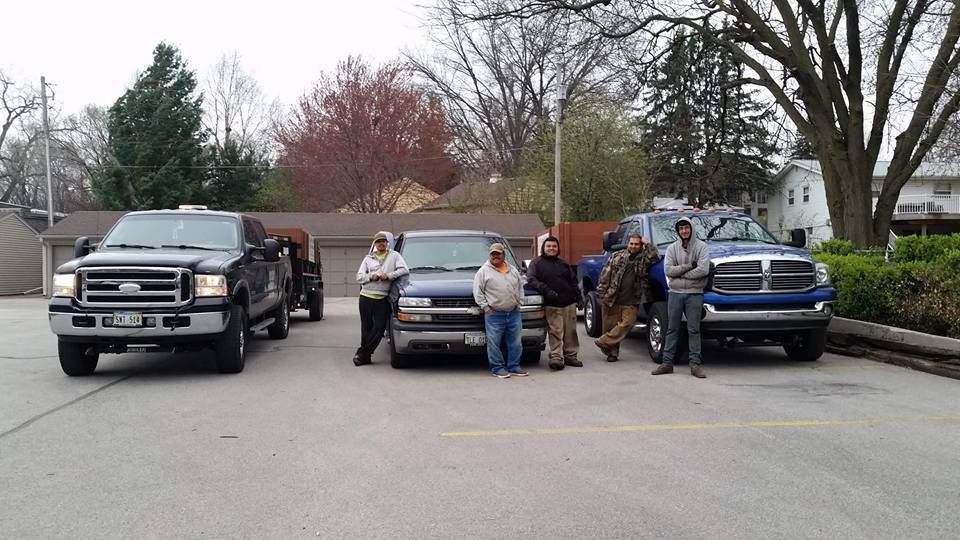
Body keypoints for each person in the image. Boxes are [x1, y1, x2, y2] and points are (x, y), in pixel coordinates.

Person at [652, 216, 710, 378]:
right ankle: (667, 363)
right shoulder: (672, 248)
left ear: (691, 228)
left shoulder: (702, 247)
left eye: (686, 227)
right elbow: (669, 270)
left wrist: (681, 274)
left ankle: (695, 365)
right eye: (681, 228)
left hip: (694, 294)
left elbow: (703, 270)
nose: (684, 231)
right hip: (675, 294)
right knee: (671, 329)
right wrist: (689, 266)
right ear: (678, 231)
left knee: (693, 330)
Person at [594, 233, 660, 362]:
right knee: (611, 326)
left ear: (640, 245)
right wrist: (602, 294)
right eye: (632, 244)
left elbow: (655, 256)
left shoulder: (643, 258)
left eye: (637, 244)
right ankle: (612, 353)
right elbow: (605, 275)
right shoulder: (617, 256)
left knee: (628, 323)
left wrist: (647, 244)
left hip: (632, 300)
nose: (634, 246)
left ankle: (604, 341)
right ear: (628, 244)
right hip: (613, 297)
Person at [526, 236, 581, 371]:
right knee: (556, 332)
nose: (551, 248)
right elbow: (531, 279)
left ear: (558, 249)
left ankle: (571, 356)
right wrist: (546, 290)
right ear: (543, 248)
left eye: (554, 246)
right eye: (549, 246)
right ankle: (556, 357)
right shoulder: (536, 263)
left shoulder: (563, 263)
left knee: (571, 332)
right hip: (552, 304)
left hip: (569, 303)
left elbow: (573, 281)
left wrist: (579, 297)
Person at [473, 243, 527, 379]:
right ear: (489, 255)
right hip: (494, 314)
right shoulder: (483, 271)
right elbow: (477, 292)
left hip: (513, 312)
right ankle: (497, 368)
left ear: (504, 255)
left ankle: (514, 366)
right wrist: (485, 307)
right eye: (493, 254)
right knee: (494, 343)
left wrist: (520, 302)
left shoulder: (513, 270)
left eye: (498, 253)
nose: (495, 256)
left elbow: (520, 287)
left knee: (515, 342)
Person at [354, 231, 409, 366]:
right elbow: (359, 277)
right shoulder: (368, 259)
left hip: (382, 298)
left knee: (379, 330)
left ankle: (362, 353)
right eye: (378, 242)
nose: (381, 244)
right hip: (366, 297)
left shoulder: (394, 256)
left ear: (387, 243)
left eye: (383, 241)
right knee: (366, 328)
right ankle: (365, 357)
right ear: (375, 244)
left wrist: (389, 276)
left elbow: (404, 270)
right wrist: (370, 276)